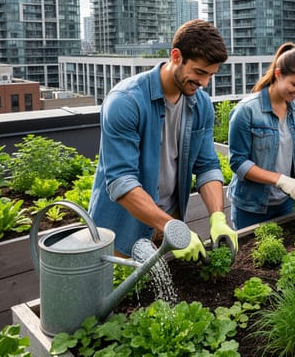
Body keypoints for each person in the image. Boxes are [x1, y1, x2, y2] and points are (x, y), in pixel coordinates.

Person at [89, 20, 237, 261]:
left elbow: (207, 166)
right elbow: (121, 182)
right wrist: (173, 229)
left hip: (170, 220)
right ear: (176, 56)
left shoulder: (201, 105)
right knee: (125, 296)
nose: (204, 83)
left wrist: (218, 217)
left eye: (211, 75)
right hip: (123, 230)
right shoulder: (125, 102)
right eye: (200, 72)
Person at [228, 43, 295, 229]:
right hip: (252, 206)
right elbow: (238, 163)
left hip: (287, 202)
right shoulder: (247, 111)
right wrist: (280, 180)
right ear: (278, 74)